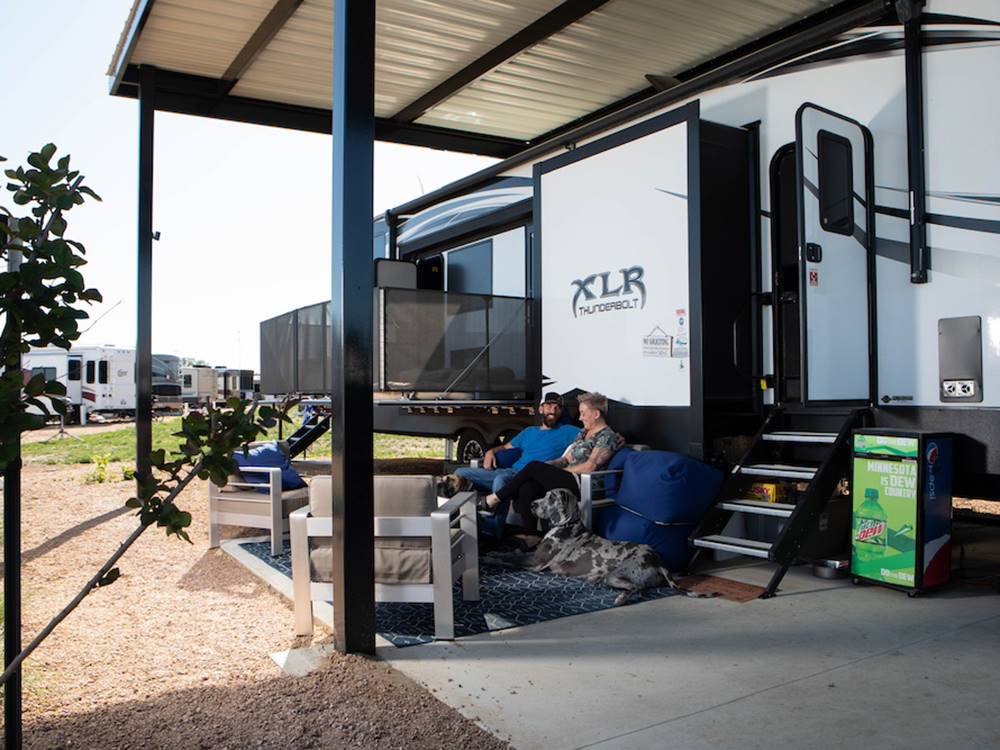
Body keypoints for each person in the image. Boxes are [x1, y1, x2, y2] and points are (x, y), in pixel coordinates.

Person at [483, 392, 619, 525]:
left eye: (583, 413)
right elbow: (565, 459)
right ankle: (531, 536)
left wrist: (559, 471)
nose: (580, 418)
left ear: (596, 414)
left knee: (534, 466)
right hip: (570, 477)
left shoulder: (606, 436)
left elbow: (590, 467)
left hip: (584, 484)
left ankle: (495, 498)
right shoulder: (583, 433)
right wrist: (548, 466)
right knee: (528, 486)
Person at [454, 393, 579, 501]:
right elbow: (505, 447)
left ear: (561, 412)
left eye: (557, 407)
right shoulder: (529, 431)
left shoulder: (568, 431)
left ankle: (493, 525)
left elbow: (592, 434)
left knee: (500, 480)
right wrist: (490, 452)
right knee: (460, 473)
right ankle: (466, 515)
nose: (553, 410)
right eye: (549, 405)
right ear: (541, 409)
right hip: (510, 471)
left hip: (528, 477)